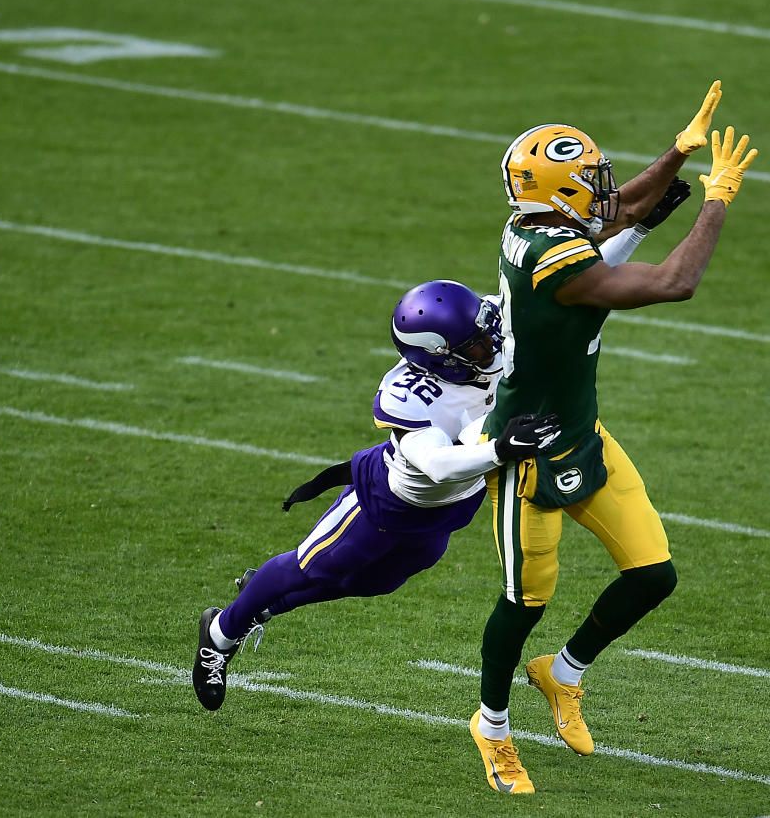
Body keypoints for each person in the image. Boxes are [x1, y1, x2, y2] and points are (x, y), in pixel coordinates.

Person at [469, 80, 757, 794]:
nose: (604, 189)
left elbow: (621, 207)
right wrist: (716, 198)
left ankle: (561, 674)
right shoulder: (555, 262)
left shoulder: (537, 221)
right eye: (587, 181)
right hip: (525, 452)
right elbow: (672, 282)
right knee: (522, 603)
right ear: (556, 197)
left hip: (578, 430)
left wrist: (676, 152)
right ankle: (492, 727)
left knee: (653, 572)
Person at [191, 280, 561, 711]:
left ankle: (263, 604)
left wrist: (639, 228)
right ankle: (219, 634)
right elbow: (437, 464)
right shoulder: (413, 395)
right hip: (385, 504)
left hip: (449, 509)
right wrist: (498, 448)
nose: (491, 345)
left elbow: (573, 284)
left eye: (486, 331)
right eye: (476, 344)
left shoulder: (484, 327)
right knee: (308, 567)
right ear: (441, 357)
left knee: (377, 582)